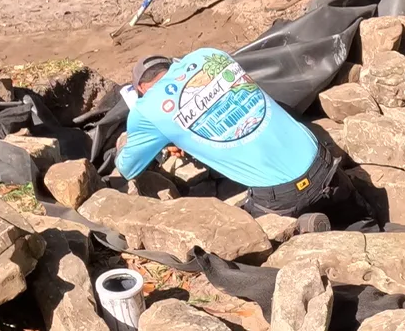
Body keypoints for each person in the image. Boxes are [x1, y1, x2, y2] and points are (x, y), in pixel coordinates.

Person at [115, 50, 372, 231]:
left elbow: (128, 167)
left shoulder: (147, 109)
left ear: (141, 90)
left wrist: (136, 141)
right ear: (174, 64)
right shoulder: (210, 55)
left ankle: (300, 230)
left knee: (246, 243)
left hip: (281, 196)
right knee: (364, 223)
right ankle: (363, 225)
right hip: (322, 162)